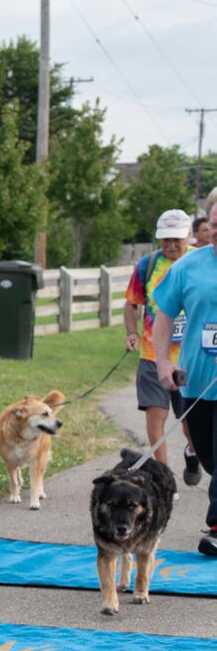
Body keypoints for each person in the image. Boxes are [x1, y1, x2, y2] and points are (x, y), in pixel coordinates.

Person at [154, 218, 217, 557]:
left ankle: (216, 528)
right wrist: (163, 361)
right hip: (196, 383)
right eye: (216, 223)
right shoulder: (188, 267)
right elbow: (164, 316)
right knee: (209, 457)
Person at [125, 209, 201, 484]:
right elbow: (131, 303)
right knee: (155, 420)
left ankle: (193, 452)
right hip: (152, 357)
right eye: (165, 239)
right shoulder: (147, 265)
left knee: (190, 424)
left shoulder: (201, 262)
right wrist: (132, 332)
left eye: (176, 239)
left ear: (188, 236)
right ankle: (165, 477)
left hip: (190, 359)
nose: (170, 244)